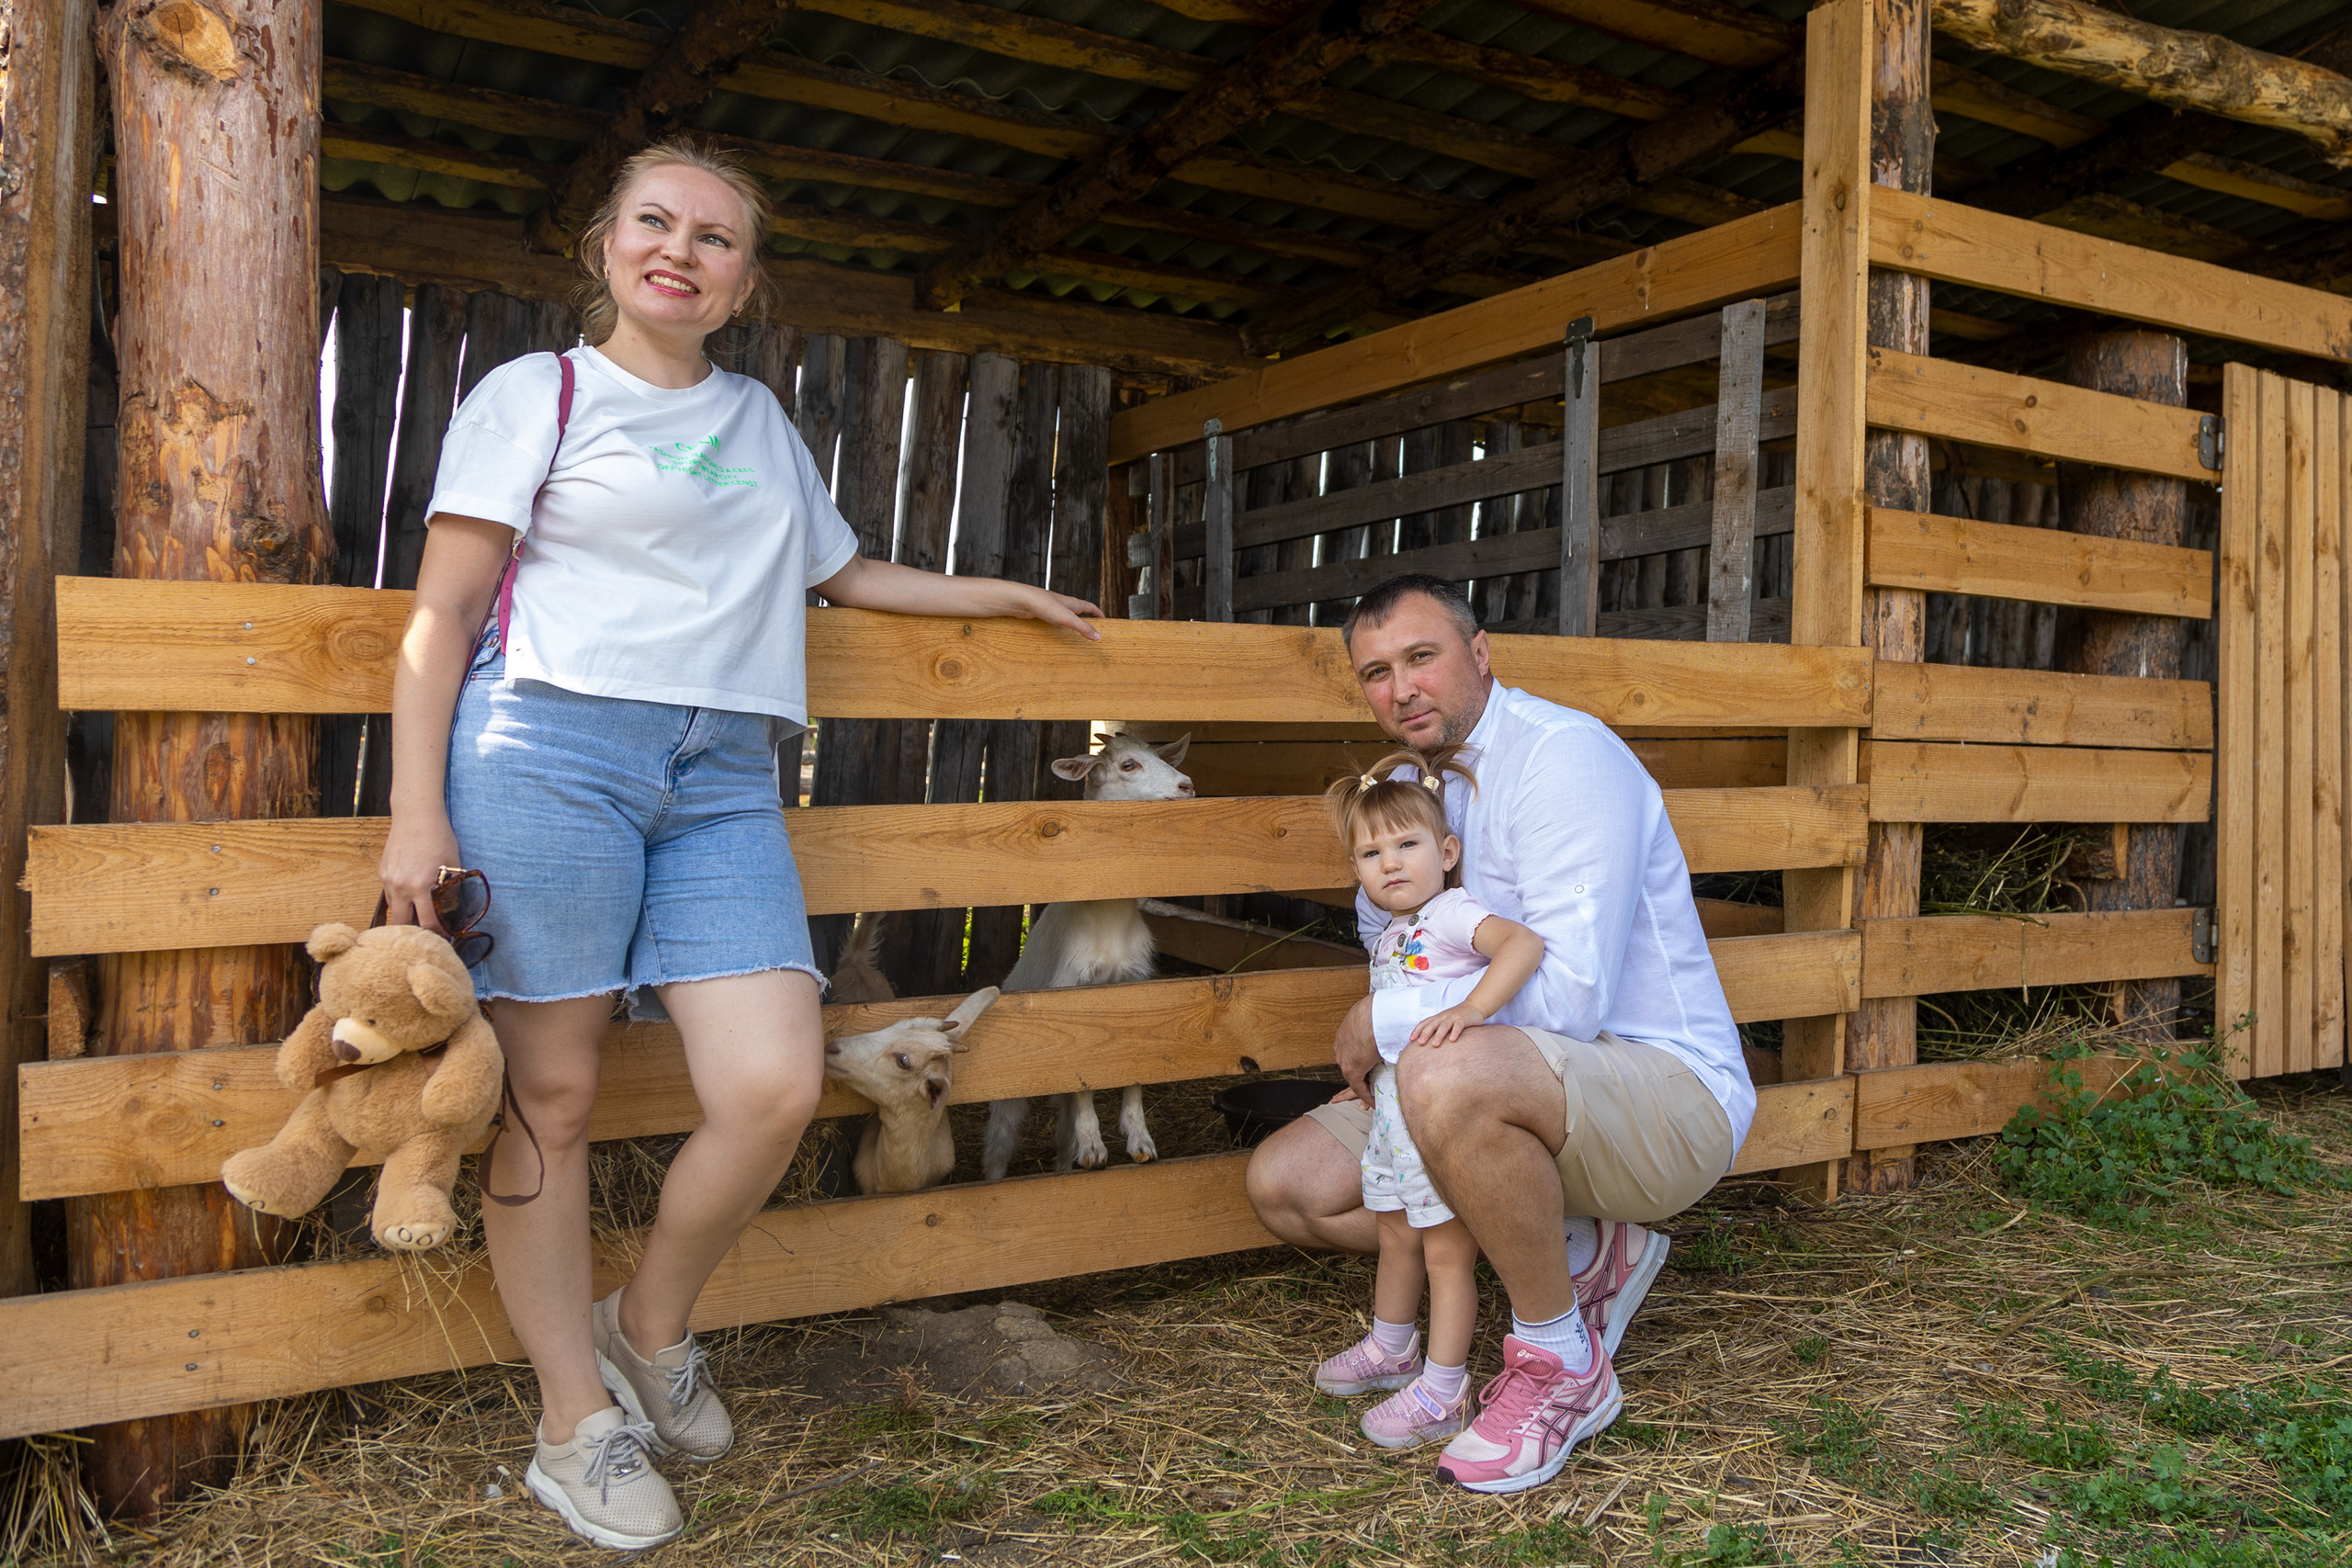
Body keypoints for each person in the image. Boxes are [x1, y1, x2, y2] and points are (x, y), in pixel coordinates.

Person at [382, 138, 1100, 1551]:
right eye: (656, 222)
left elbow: (841, 571)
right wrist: (420, 810)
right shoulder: (543, 393)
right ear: (604, 244)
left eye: (715, 238)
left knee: (773, 1081)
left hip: (722, 770)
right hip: (548, 747)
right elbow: (442, 617)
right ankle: (571, 1422)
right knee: (557, 1096)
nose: (681, 250)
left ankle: (647, 1327)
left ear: (744, 279)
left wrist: (1000, 595)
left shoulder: (761, 416)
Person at [1244, 573, 1754, 1495]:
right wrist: (1389, 1056)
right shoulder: (1401, 789)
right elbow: (1397, 954)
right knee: (1290, 1186)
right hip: (1476, 1073)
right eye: (1375, 673)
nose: (1400, 688)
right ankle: (1578, 1249)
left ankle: (1562, 1365)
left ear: (1478, 655)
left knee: (1447, 1084)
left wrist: (1384, 1026)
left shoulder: (1564, 758)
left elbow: (1568, 1002)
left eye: (1421, 657)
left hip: (1661, 1095)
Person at [1312, 746, 1544, 1453]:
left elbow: (1524, 945)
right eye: (1371, 853)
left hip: (1439, 1120)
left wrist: (1475, 1006)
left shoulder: (1450, 912)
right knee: (1393, 1232)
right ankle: (1392, 1346)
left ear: (1447, 850)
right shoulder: (1390, 933)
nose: (1390, 863)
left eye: (1407, 843)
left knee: (1446, 1252)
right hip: (1394, 1115)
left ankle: (1444, 1391)